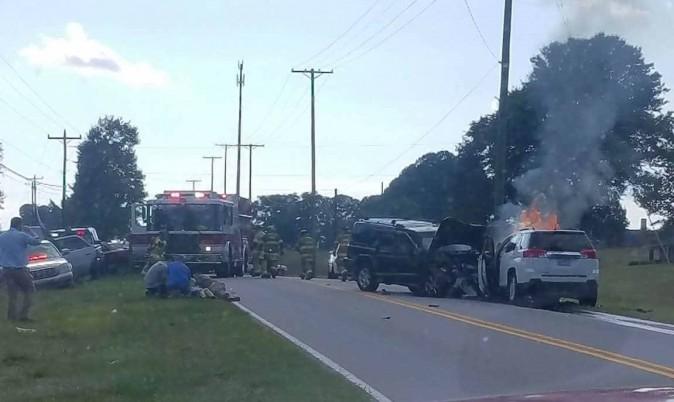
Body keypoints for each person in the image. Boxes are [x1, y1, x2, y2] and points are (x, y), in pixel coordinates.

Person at [0, 217, 41, 321]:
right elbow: (37, 241)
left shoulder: (2, 236)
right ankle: (24, 315)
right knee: (29, 290)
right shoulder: (22, 235)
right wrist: (31, 231)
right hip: (19, 269)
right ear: (20, 225)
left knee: (12, 294)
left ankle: (11, 317)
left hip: (6, 269)